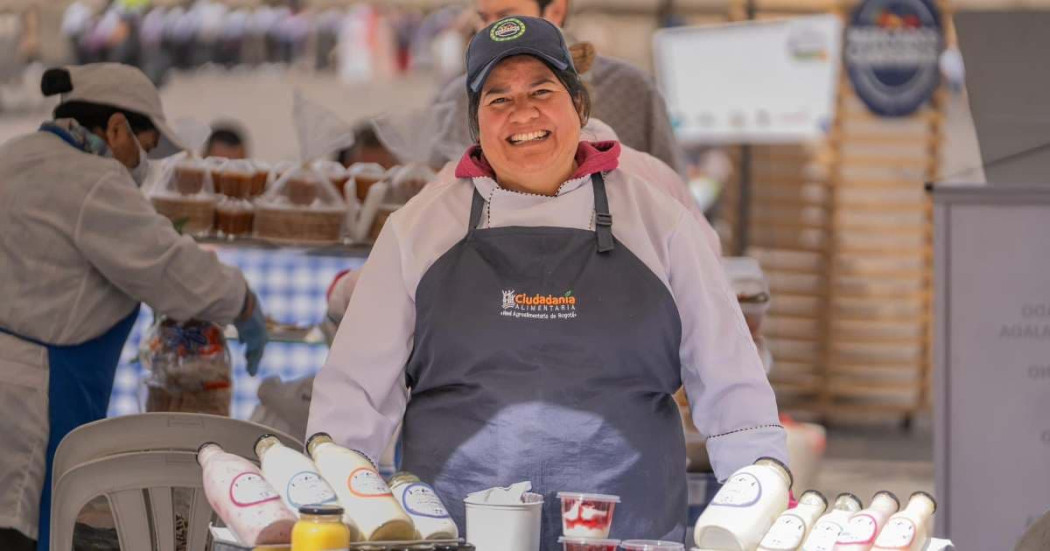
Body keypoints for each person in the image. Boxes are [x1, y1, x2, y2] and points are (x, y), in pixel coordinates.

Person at [309, 17, 786, 549]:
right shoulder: (417, 229)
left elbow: (732, 383)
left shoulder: (660, 223)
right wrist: (340, 504)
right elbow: (354, 393)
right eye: (498, 99)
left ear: (579, 105)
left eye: (541, 91)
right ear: (476, 124)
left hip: (629, 532)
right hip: (454, 531)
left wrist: (759, 491)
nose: (523, 113)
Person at [0, 63, 269, 551]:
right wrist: (242, 302)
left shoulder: (13, 155)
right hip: (32, 402)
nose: (141, 164)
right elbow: (171, 270)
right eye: (142, 149)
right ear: (117, 127)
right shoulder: (94, 180)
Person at [421, 0, 686, 175]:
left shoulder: (631, 89)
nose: (491, 30)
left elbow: (673, 191)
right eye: (483, 18)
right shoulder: (459, 96)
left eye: (507, 18)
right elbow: (435, 181)